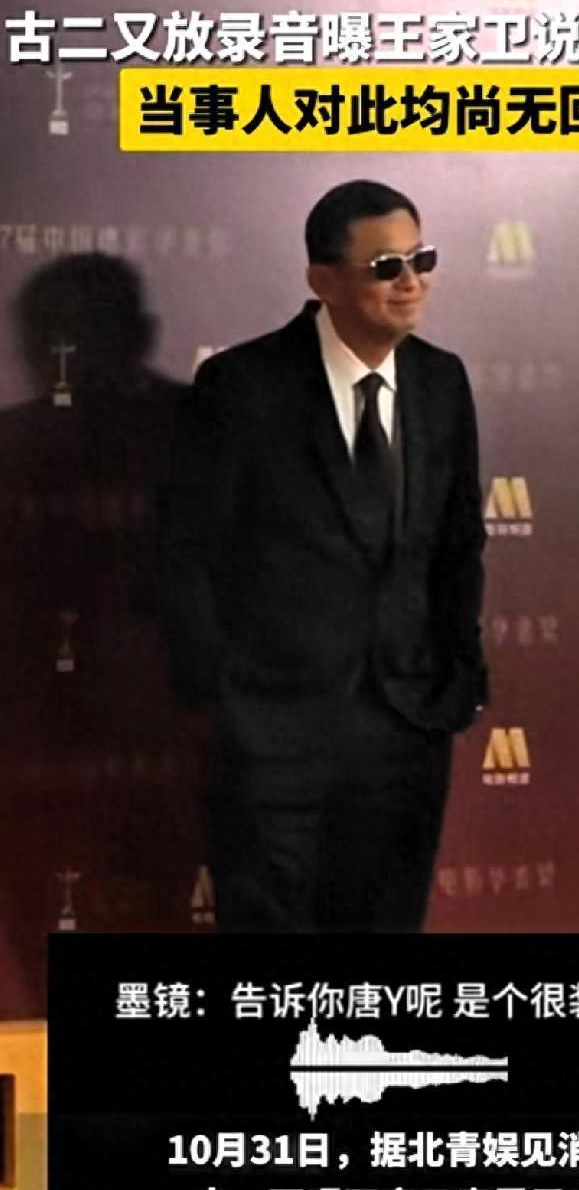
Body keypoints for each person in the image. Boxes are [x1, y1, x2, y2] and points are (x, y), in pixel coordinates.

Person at [162, 179, 488, 932]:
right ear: (323, 280)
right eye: (386, 267)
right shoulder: (243, 385)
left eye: (421, 260)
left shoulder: (442, 381)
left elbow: (459, 542)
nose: (411, 283)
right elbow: (189, 553)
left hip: (408, 723)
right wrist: (220, 699)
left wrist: (459, 679)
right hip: (273, 730)